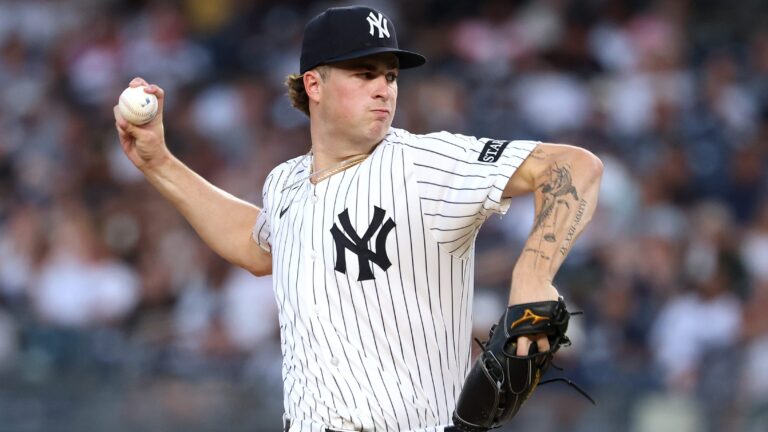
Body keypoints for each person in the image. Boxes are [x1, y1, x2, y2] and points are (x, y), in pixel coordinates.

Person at [113, 5, 603, 432]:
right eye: (364, 74)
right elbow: (257, 245)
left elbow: (574, 166)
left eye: (390, 75)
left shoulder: (424, 164)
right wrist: (159, 162)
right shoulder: (285, 181)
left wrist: (533, 273)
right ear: (314, 84)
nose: (384, 89)